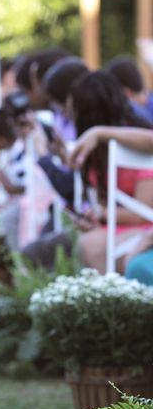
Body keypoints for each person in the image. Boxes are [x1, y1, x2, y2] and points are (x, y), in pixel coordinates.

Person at [69, 70, 153, 273]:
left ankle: (118, 299)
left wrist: (101, 213)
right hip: (120, 225)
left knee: (108, 251)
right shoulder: (97, 151)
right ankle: (110, 301)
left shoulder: (138, 145)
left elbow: (143, 213)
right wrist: (94, 217)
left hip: (143, 225)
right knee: (88, 243)